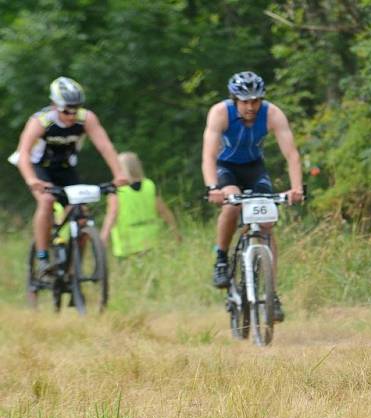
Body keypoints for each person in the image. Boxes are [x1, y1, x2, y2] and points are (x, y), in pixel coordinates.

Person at [201, 71, 303, 321]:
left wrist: (296, 188)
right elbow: (209, 156)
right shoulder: (220, 112)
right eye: (245, 101)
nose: (250, 106)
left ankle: (272, 293)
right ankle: (222, 259)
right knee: (232, 204)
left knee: (267, 224)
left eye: (255, 100)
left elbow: (291, 154)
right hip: (225, 169)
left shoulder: (272, 114)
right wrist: (212, 187)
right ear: (234, 99)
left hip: (254, 168)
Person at [13, 76, 128, 278]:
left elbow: (105, 147)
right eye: (67, 110)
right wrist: (32, 180)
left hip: (65, 168)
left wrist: (119, 174)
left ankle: (75, 267)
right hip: (39, 168)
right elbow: (23, 154)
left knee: (81, 214)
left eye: (76, 108)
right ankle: (42, 257)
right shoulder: (41, 122)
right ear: (55, 106)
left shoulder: (87, 119)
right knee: (47, 201)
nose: (72, 115)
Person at [100, 152, 180, 257]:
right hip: (151, 242)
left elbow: (112, 214)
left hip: (126, 246)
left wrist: (102, 239)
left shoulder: (116, 189)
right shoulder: (149, 185)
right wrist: (175, 232)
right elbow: (164, 211)